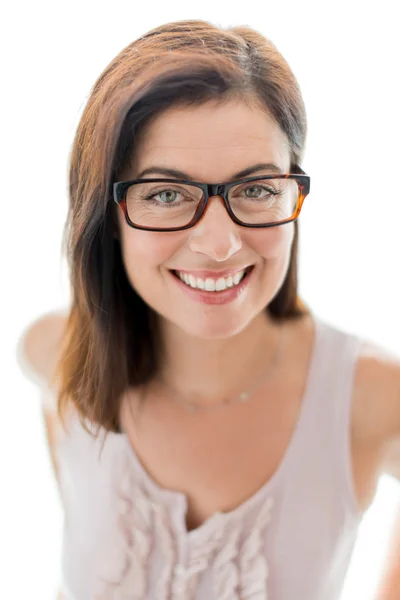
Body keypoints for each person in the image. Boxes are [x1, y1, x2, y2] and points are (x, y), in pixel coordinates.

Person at [16, 18, 400, 600]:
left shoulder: (372, 397)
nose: (219, 244)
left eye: (256, 188)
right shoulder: (54, 356)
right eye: (166, 194)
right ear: (108, 216)